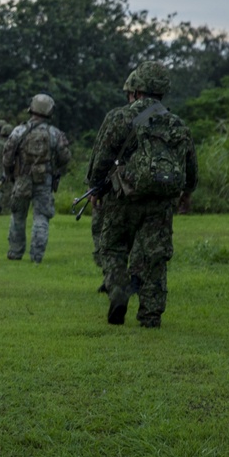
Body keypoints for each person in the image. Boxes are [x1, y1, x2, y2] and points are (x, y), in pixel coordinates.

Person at [87, 60, 198, 327]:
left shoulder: (119, 117)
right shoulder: (176, 123)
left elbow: (101, 158)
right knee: (155, 257)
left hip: (123, 197)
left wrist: (94, 187)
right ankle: (151, 316)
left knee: (112, 248)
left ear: (137, 89)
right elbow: (190, 166)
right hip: (160, 202)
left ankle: (118, 291)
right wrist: (186, 193)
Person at [1, 94, 72, 263]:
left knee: (18, 215)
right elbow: (65, 157)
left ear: (31, 108)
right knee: (41, 217)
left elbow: (7, 156)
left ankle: (15, 252)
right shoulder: (54, 133)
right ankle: (36, 256)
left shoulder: (19, 131)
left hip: (22, 179)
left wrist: (9, 173)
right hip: (44, 180)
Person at [87, 69, 138, 292]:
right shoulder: (166, 118)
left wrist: (94, 186)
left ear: (131, 93)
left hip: (117, 186)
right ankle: (135, 278)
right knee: (142, 235)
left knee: (109, 236)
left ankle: (113, 279)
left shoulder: (118, 116)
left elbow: (101, 152)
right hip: (153, 187)